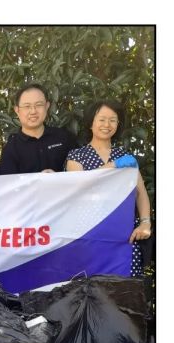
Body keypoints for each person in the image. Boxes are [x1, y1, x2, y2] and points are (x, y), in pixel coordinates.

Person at [65, 100, 151, 277]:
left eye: (112, 120)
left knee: (126, 290)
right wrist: (113, 166)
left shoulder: (125, 156)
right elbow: (78, 186)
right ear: (91, 123)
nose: (107, 124)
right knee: (89, 288)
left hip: (124, 235)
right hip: (88, 236)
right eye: (102, 119)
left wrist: (145, 222)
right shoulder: (76, 156)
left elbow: (140, 193)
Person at [0, 83, 78, 175]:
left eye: (39, 105)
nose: (33, 111)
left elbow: (79, 175)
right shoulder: (11, 149)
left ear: (47, 106)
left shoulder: (64, 137)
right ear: (17, 110)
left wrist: (57, 178)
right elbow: (10, 182)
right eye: (27, 106)